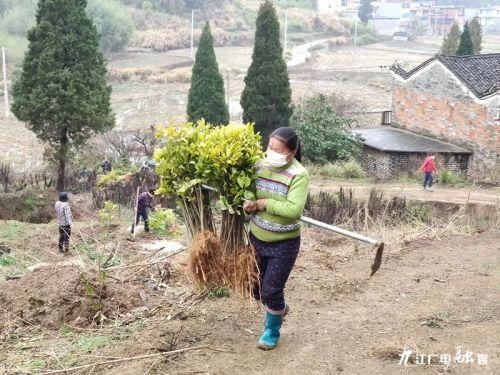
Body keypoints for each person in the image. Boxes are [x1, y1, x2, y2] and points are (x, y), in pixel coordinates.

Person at [243, 127, 309, 351]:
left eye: (277, 149)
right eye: (269, 147)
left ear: (291, 153)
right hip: (257, 237)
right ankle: (279, 307)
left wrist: (263, 204)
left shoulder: (299, 174)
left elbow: (293, 209)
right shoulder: (259, 166)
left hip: (284, 243)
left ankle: (272, 331)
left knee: (270, 290)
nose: (270, 152)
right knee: (253, 286)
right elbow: (250, 192)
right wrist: (250, 202)